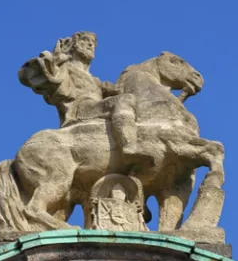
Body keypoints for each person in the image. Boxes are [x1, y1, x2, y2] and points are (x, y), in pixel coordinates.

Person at [18, 32, 158, 167]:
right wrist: (57, 59)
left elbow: (120, 89)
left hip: (96, 108)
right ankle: (129, 148)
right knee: (124, 100)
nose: (91, 44)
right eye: (85, 40)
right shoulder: (66, 69)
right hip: (80, 111)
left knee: (134, 105)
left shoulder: (96, 81)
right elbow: (38, 74)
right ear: (74, 45)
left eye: (94, 43)